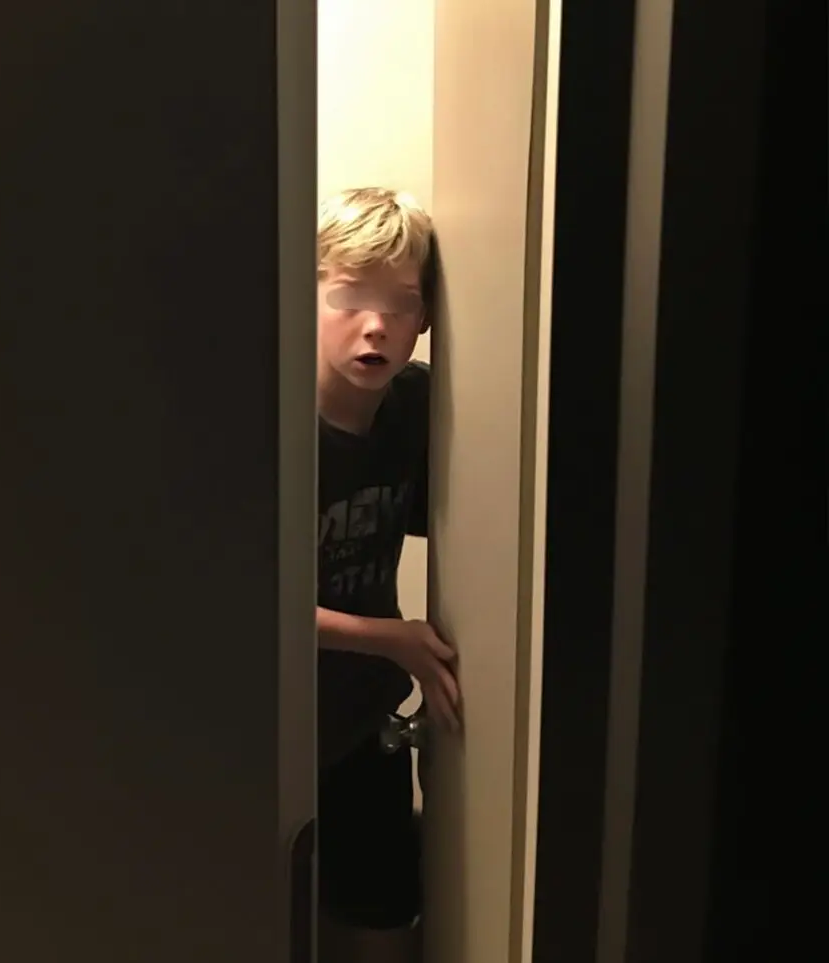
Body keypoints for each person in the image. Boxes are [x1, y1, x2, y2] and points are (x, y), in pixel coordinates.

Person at [316, 187, 462, 963]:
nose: (375, 324)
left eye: (400, 304)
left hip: (361, 721)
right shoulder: (266, 421)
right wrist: (389, 637)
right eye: (348, 298)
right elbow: (233, 599)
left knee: (383, 917)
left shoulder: (414, 407)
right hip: (256, 724)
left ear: (425, 317)